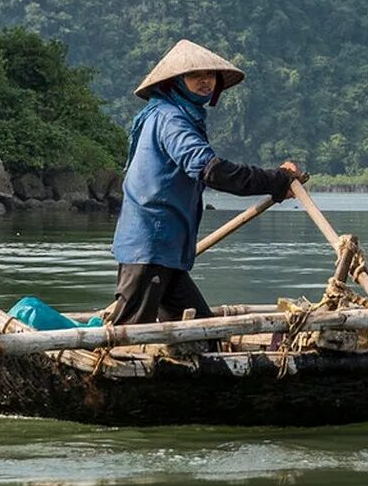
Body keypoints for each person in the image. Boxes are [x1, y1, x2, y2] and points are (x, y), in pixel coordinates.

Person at [110, 39, 307, 325]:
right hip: (151, 245)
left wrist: (277, 182)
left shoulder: (174, 115)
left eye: (210, 75)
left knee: (201, 331)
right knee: (129, 335)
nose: (206, 82)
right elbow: (212, 171)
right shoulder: (171, 119)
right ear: (176, 81)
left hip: (165, 251)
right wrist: (277, 179)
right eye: (195, 75)